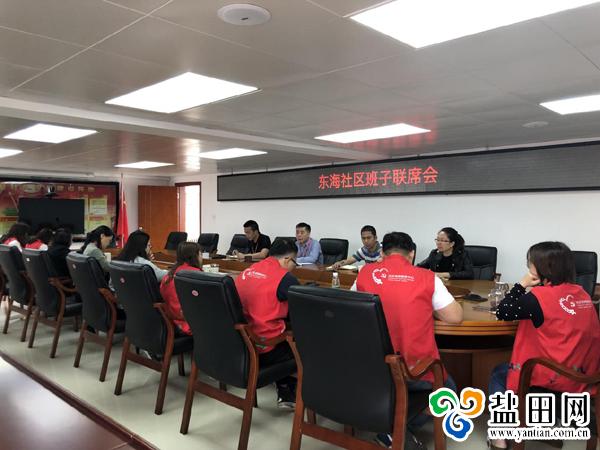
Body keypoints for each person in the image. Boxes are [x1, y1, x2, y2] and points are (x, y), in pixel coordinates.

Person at [488, 242, 600, 450]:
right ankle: (543, 426)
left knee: (498, 373)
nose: (528, 266)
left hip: (550, 380)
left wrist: (521, 284)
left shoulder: (538, 298)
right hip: (580, 377)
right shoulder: (583, 295)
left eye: (530, 262)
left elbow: (503, 311)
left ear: (542, 268)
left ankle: (500, 437)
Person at [355, 232, 463, 448]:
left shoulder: (364, 274)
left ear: (383, 253)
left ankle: (388, 424)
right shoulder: (427, 278)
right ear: (412, 253)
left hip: (370, 368)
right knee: (449, 392)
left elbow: (353, 308)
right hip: (411, 371)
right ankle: (396, 429)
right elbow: (455, 317)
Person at [234, 238, 300, 409]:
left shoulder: (248, 270)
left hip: (240, 344)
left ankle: (284, 388)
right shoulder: (286, 279)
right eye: (295, 263)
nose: (294, 267)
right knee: (302, 338)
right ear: (287, 259)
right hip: (265, 348)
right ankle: (289, 389)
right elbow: (301, 315)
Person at [160, 242, 202, 335]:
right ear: (195, 256)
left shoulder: (170, 274)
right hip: (189, 324)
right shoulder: (197, 275)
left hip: (171, 321)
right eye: (200, 254)